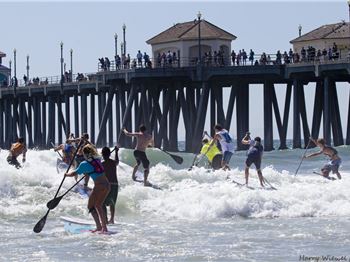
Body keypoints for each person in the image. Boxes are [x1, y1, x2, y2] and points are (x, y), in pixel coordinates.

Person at [65, 144, 111, 233]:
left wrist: (66, 174)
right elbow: (94, 171)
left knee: (91, 206)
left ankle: (100, 227)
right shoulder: (97, 160)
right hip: (107, 185)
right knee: (98, 205)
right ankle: (103, 228)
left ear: (84, 154)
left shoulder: (84, 164)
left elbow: (75, 173)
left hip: (99, 186)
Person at [102, 146, 119, 224]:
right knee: (112, 202)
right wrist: (116, 152)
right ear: (109, 154)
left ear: (102, 155)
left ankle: (105, 219)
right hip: (115, 185)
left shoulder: (102, 164)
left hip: (107, 185)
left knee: (102, 203)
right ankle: (112, 219)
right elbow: (117, 161)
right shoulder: (113, 162)